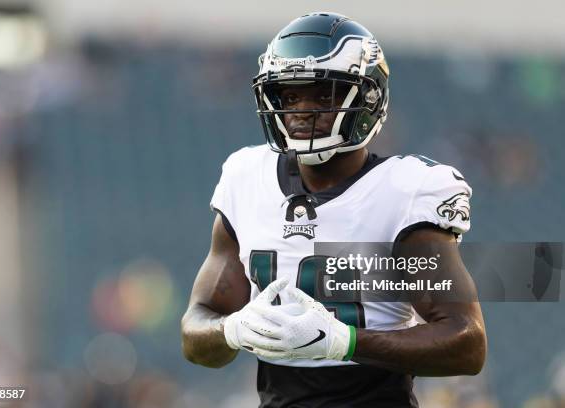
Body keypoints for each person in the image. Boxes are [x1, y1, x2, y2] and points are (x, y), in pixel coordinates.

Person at [181, 11, 487, 407]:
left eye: (321, 95)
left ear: (367, 98)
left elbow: (466, 344)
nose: (301, 111)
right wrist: (232, 330)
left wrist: (345, 342)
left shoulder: (404, 192)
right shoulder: (245, 177)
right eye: (290, 95)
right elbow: (196, 332)